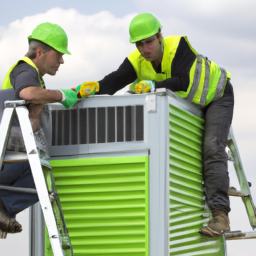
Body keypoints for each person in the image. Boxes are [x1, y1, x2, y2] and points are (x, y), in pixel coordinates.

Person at [76, 13, 234, 237]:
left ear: (160, 36)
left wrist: (153, 85)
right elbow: (113, 82)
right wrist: (87, 89)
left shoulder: (178, 45)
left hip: (216, 95)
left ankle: (220, 216)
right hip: (193, 103)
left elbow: (184, 80)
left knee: (212, 147)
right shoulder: (137, 60)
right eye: (139, 44)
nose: (144, 49)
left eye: (148, 42)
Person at [0, 22, 81, 234]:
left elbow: (31, 121)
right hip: (7, 156)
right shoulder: (25, 69)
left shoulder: (35, 80)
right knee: (42, 178)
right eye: (58, 55)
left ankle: (3, 207)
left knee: (43, 181)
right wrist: (61, 95)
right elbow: (28, 93)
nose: (62, 61)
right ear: (40, 52)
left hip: (13, 153)